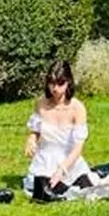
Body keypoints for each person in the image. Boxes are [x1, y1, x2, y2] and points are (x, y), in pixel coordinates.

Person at [25, 60, 99, 201]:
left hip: (68, 159)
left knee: (74, 188)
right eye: (52, 83)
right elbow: (36, 129)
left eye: (60, 83)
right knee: (41, 190)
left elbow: (78, 147)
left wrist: (62, 169)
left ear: (68, 83)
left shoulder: (77, 108)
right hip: (45, 159)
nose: (55, 88)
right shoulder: (41, 103)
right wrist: (32, 138)